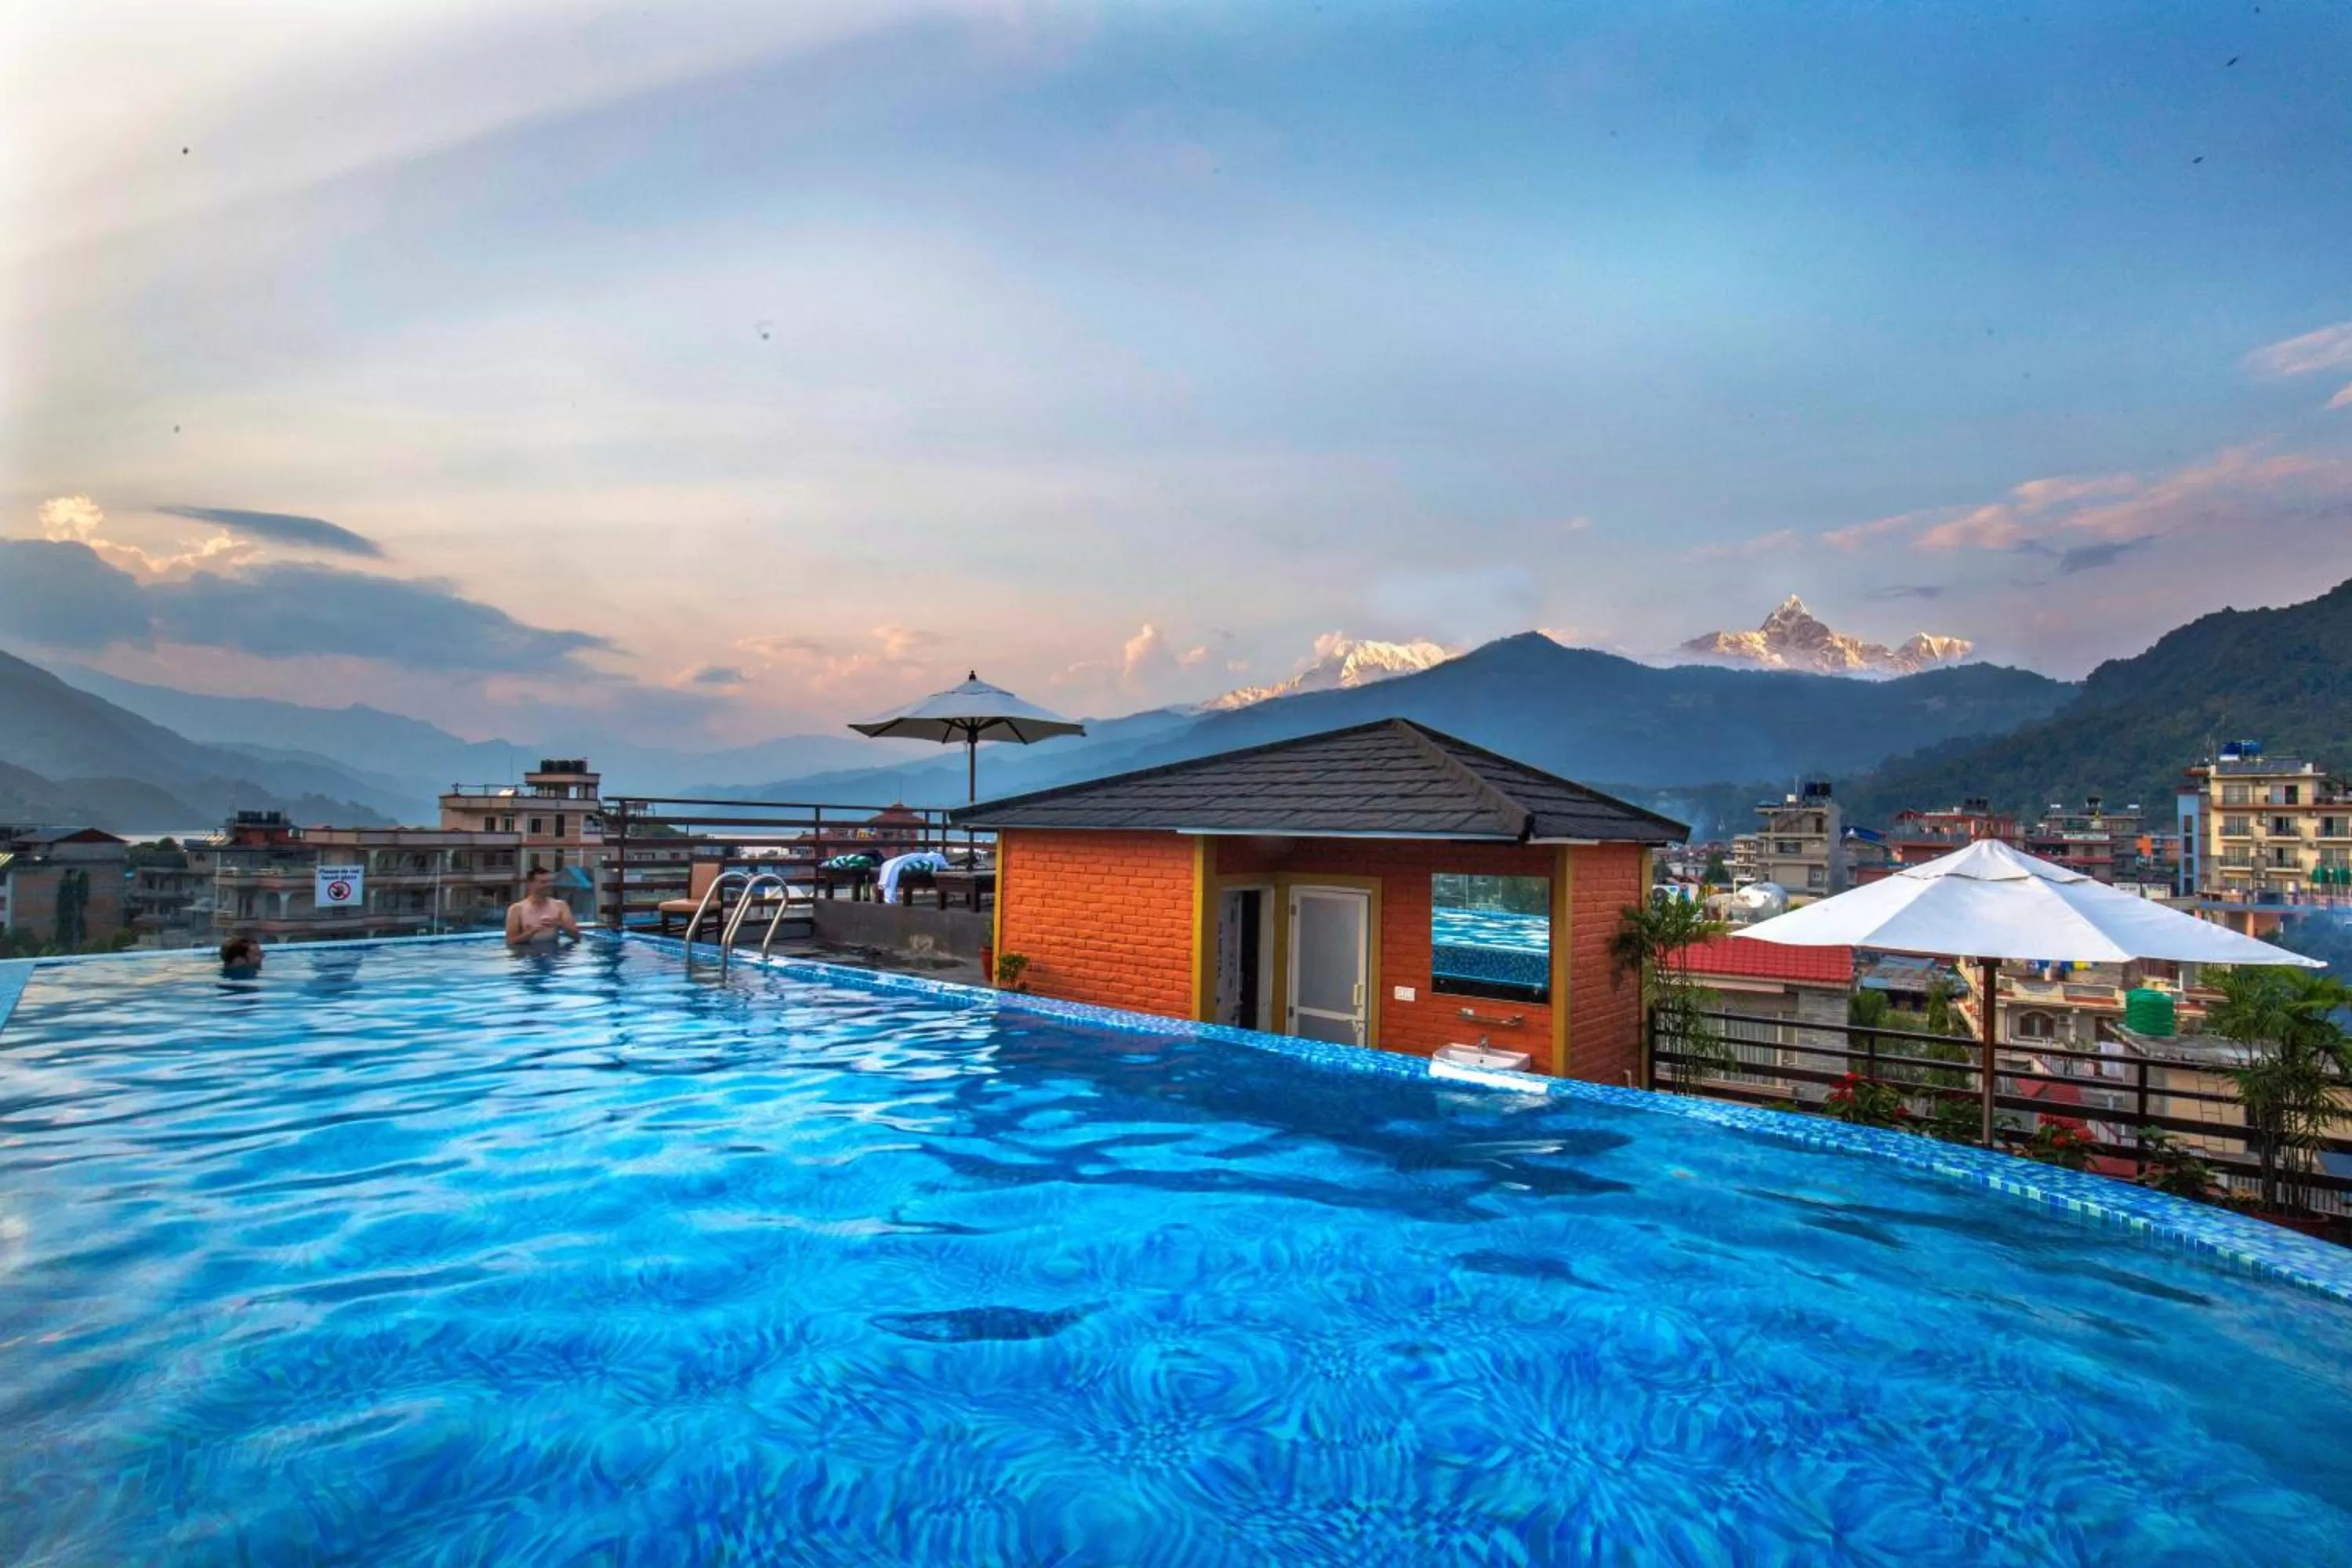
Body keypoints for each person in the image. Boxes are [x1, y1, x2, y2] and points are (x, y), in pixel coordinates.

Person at [506, 866, 580, 946]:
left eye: (550, 881)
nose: (549, 885)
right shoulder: (517, 909)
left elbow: (577, 937)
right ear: (530, 885)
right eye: (544, 882)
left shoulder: (561, 905)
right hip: (527, 952)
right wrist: (531, 933)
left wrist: (560, 924)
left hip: (554, 951)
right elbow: (510, 941)